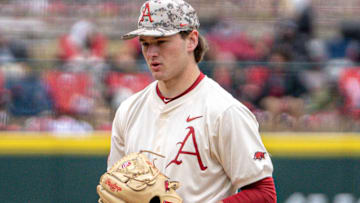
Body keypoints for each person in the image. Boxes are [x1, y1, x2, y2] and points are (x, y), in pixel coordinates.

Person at [107, 0, 276, 202]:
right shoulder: (129, 109)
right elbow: (116, 188)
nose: (151, 53)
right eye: (145, 43)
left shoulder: (224, 111)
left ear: (191, 40)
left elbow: (264, 194)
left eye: (161, 42)